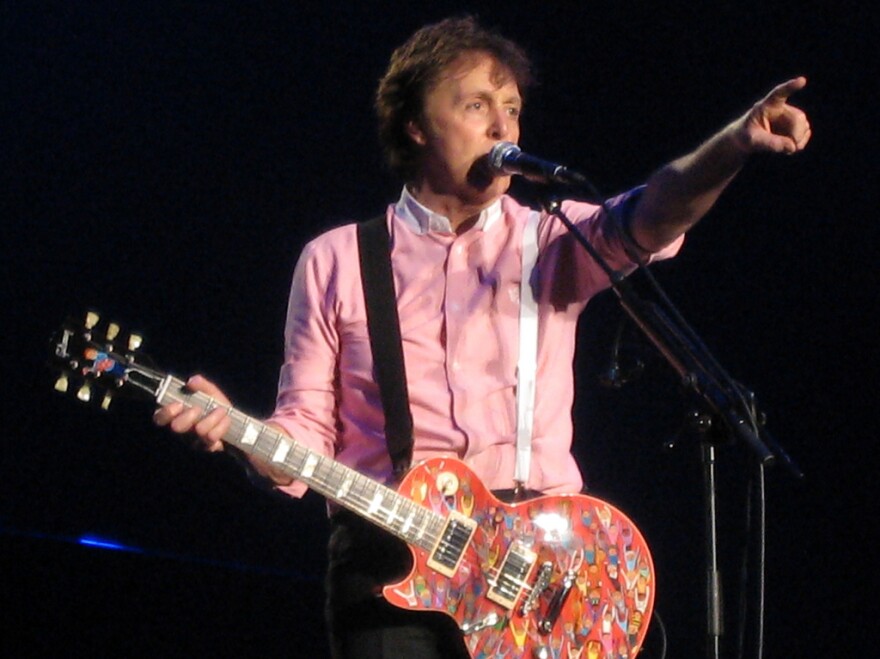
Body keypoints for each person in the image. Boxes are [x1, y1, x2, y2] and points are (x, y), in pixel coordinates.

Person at [153, 15, 810, 659]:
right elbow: (305, 429)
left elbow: (649, 215)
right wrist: (239, 429)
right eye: (477, 105)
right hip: (388, 560)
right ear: (415, 124)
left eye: (513, 109)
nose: (503, 127)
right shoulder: (336, 260)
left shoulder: (549, 239)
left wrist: (733, 145)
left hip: (542, 569)